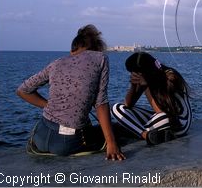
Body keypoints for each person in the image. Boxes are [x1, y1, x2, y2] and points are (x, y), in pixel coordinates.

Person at [16, 25, 125, 160]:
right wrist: (111, 143)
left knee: (86, 125)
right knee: (117, 129)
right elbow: (101, 103)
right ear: (97, 48)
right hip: (65, 143)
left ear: (73, 50)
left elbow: (22, 90)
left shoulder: (57, 63)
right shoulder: (100, 58)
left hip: (41, 136)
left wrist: (49, 106)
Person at [111, 52, 192, 145]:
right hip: (160, 118)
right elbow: (128, 105)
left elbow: (160, 111)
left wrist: (146, 86)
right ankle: (145, 134)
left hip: (178, 122)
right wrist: (133, 85)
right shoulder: (148, 77)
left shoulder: (170, 76)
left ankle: (132, 131)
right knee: (117, 108)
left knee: (164, 118)